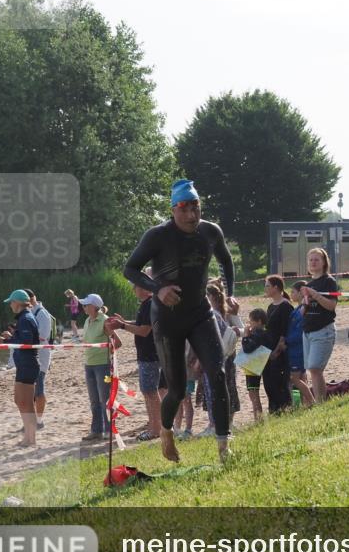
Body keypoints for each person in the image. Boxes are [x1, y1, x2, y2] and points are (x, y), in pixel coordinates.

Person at [123, 179, 236, 463]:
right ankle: (166, 431)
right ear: (173, 209)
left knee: (217, 372)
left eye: (195, 208)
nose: (191, 215)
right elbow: (130, 269)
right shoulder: (157, 236)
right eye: (184, 209)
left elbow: (226, 260)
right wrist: (157, 289)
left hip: (200, 313)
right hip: (167, 319)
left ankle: (224, 445)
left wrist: (230, 294)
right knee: (176, 388)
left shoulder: (211, 232)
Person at [107, 279, 166, 441]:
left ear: (146, 289)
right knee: (148, 392)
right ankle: (154, 426)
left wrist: (122, 326)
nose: (133, 289)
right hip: (147, 355)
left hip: (150, 356)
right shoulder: (147, 304)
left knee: (151, 392)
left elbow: (144, 330)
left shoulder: (150, 304)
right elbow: (141, 324)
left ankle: (156, 429)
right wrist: (124, 322)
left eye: (136, 286)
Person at [0, 289, 43, 446]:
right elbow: (23, 341)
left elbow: (26, 342)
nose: (10, 305)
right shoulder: (24, 317)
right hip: (24, 364)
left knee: (26, 403)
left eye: (11, 302)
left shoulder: (26, 318)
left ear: (17, 303)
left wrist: (10, 338)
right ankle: (29, 436)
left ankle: (30, 438)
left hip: (28, 364)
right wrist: (8, 340)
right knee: (19, 400)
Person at [76, 294, 123, 441]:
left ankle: (109, 431)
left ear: (94, 307)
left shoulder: (105, 320)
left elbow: (117, 342)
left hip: (102, 365)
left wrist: (109, 355)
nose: (84, 307)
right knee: (94, 400)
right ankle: (96, 430)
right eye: (83, 305)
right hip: (89, 364)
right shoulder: (87, 320)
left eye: (86, 305)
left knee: (105, 399)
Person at [301, 248, 338, 403]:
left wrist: (315, 294)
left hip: (323, 330)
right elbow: (303, 311)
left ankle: (320, 404)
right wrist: (304, 303)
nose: (313, 262)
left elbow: (331, 306)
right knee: (312, 370)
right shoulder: (309, 283)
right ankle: (319, 403)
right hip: (308, 331)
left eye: (316, 259)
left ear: (324, 262)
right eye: (310, 260)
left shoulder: (329, 281)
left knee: (315, 368)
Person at [207, 282, 242, 428]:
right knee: (210, 389)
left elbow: (242, 328)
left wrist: (233, 330)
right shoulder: (206, 313)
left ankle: (229, 421)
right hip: (210, 354)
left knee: (229, 385)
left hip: (227, 354)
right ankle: (213, 423)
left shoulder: (228, 312)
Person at [262, 275, 293, 414]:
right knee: (268, 383)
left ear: (276, 287)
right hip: (268, 351)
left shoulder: (285, 306)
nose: (265, 288)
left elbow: (284, 331)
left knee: (279, 383)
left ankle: (283, 410)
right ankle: (273, 411)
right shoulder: (270, 306)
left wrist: (277, 351)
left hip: (279, 352)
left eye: (268, 285)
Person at [24, 289, 53, 426]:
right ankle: (31, 420)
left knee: (39, 389)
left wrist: (26, 336)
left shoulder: (41, 313)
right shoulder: (28, 312)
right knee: (30, 390)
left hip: (40, 356)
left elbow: (44, 335)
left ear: (30, 299)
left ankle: (39, 420)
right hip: (29, 356)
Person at [288, 282, 314, 408]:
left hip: (297, 349)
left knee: (295, 379)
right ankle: (299, 404)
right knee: (301, 378)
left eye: (293, 291)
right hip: (295, 348)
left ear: (300, 293)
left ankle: (311, 401)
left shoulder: (302, 311)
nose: (291, 294)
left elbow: (299, 331)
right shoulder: (298, 309)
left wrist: (286, 341)